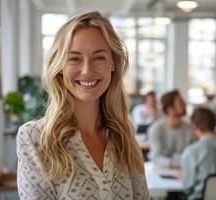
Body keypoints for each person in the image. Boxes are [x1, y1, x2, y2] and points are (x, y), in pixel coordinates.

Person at [16, 11, 149, 199]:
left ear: (113, 64)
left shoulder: (124, 134)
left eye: (99, 57)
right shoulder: (34, 138)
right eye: (75, 58)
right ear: (60, 67)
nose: (87, 70)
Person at [148, 90, 196, 168]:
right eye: (180, 102)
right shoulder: (156, 129)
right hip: (161, 173)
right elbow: (156, 157)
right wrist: (178, 162)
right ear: (170, 109)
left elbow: (194, 154)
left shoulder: (190, 128)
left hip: (185, 171)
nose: (184, 104)